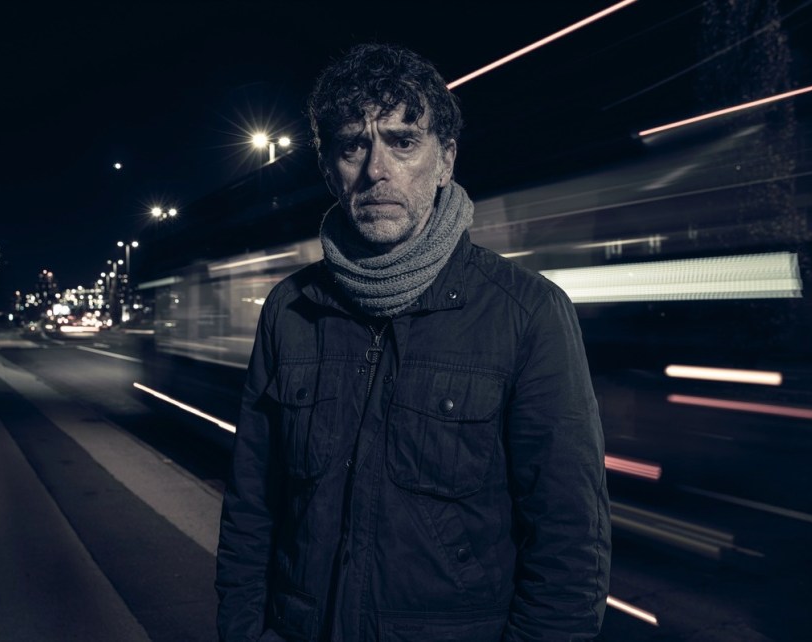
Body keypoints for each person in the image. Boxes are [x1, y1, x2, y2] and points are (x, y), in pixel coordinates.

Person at [216, 43, 611, 642]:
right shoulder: (290, 311)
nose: (378, 170)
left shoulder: (526, 312)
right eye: (353, 145)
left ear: (445, 159)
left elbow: (569, 544)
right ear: (329, 168)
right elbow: (252, 506)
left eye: (404, 141)